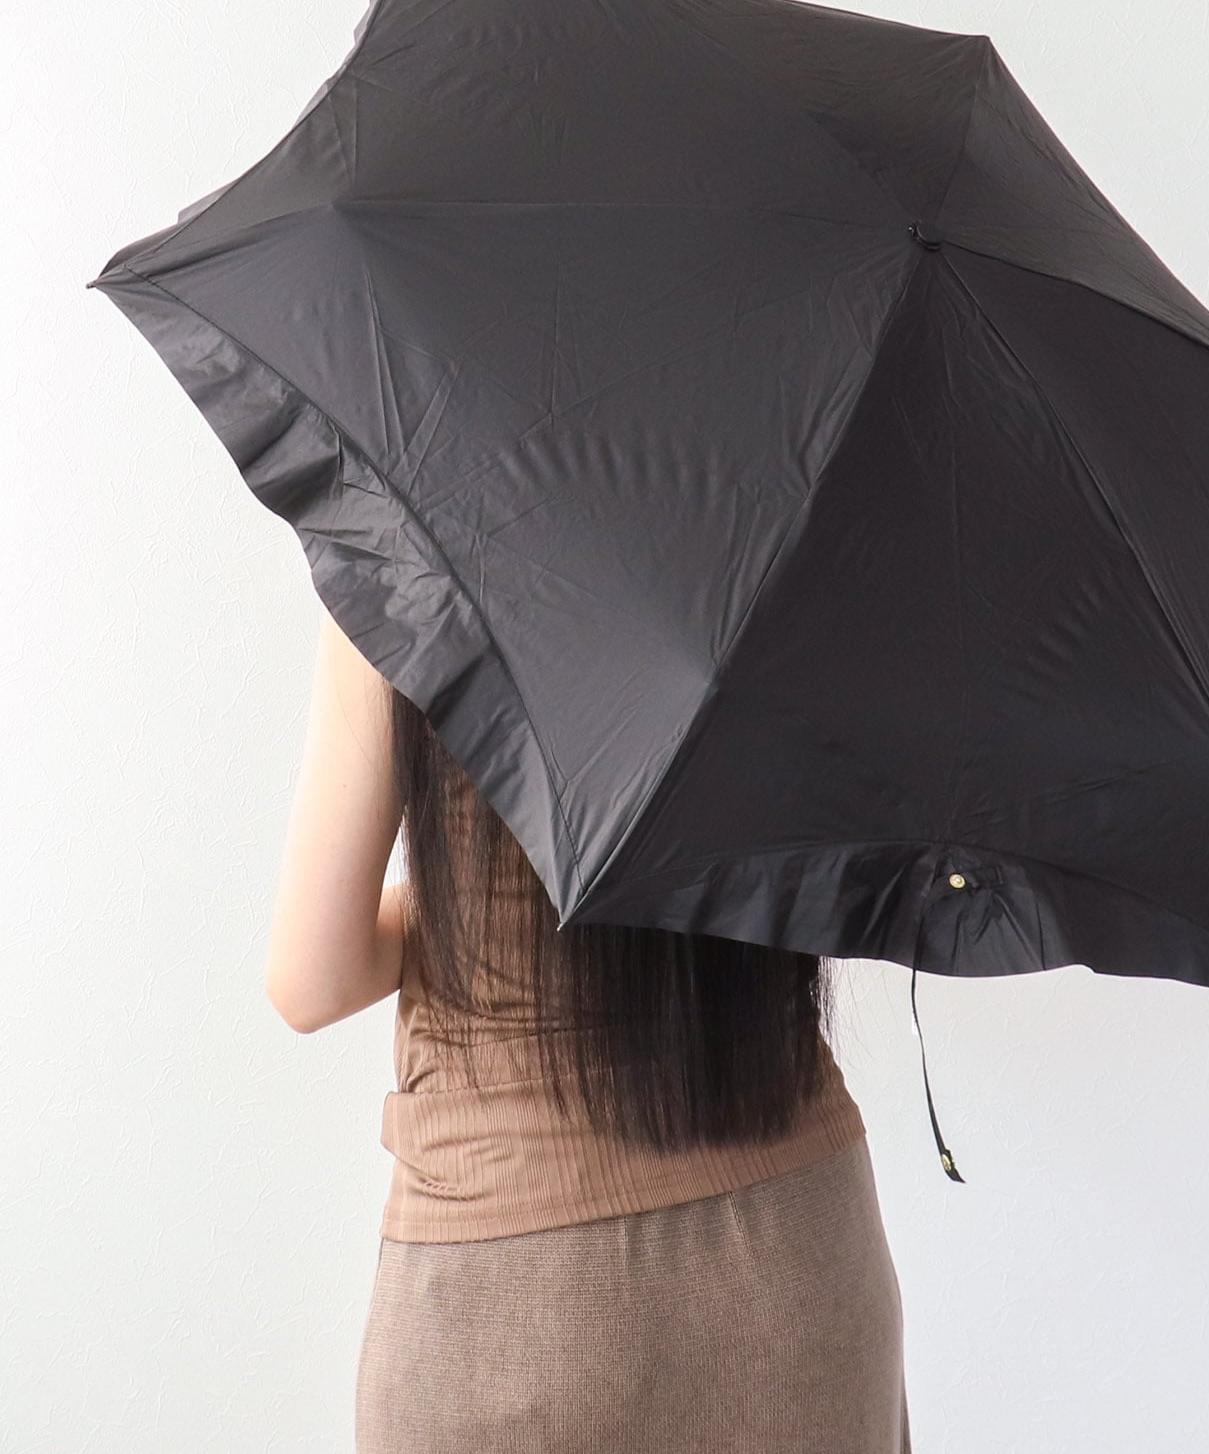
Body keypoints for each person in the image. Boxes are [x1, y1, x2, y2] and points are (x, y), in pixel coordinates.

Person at [264, 600, 912, 1452]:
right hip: (802, 1260)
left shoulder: (406, 561)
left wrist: (477, 902)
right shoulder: (790, 557)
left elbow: (314, 978)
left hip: (518, 1302)